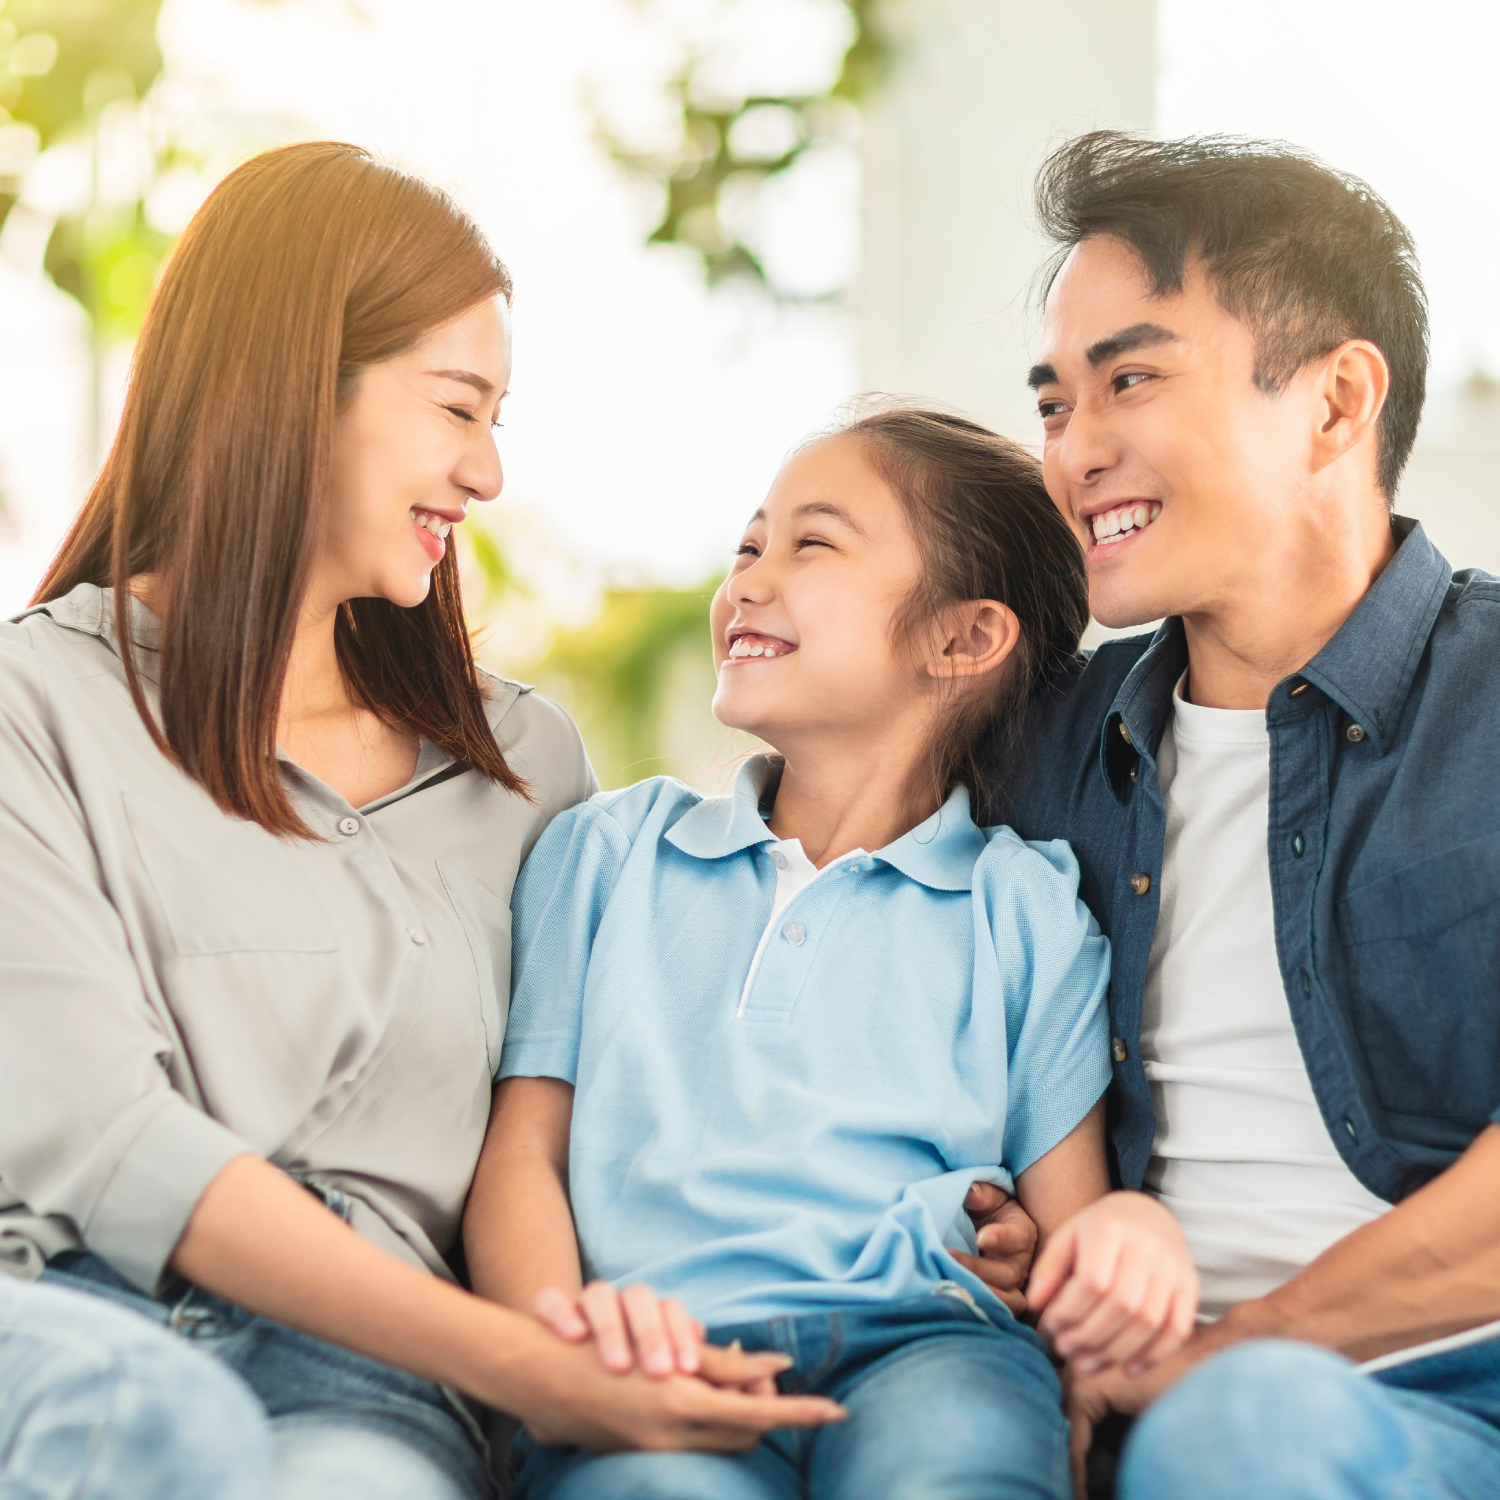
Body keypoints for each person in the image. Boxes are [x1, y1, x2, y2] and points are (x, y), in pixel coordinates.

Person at [0, 140, 843, 1500]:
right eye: (460, 408)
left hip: (370, 1387)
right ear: (292, 389)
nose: (490, 470)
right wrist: (519, 1366)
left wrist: (947, 1215)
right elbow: (105, 1134)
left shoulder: (522, 768)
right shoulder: (33, 703)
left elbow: (648, 1100)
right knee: (160, 1432)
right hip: (72, 1324)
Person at [464, 406, 1200, 1500]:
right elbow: (523, 1155)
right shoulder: (609, 853)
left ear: (963, 639)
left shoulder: (1027, 909)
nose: (748, 581)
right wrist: (559, 1345)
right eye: (748, 546)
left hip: (930, 1342)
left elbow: (1068, 1226)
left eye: (811, 545)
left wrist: (1109, 1243)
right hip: (659, 1346)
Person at [985, 130, 1500, 1499]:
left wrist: (1234, 1357)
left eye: (1131, 381)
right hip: (1130, 1392)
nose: (1076, 451)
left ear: (1336, 403)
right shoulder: (1038, 741)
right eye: (1053, 404)